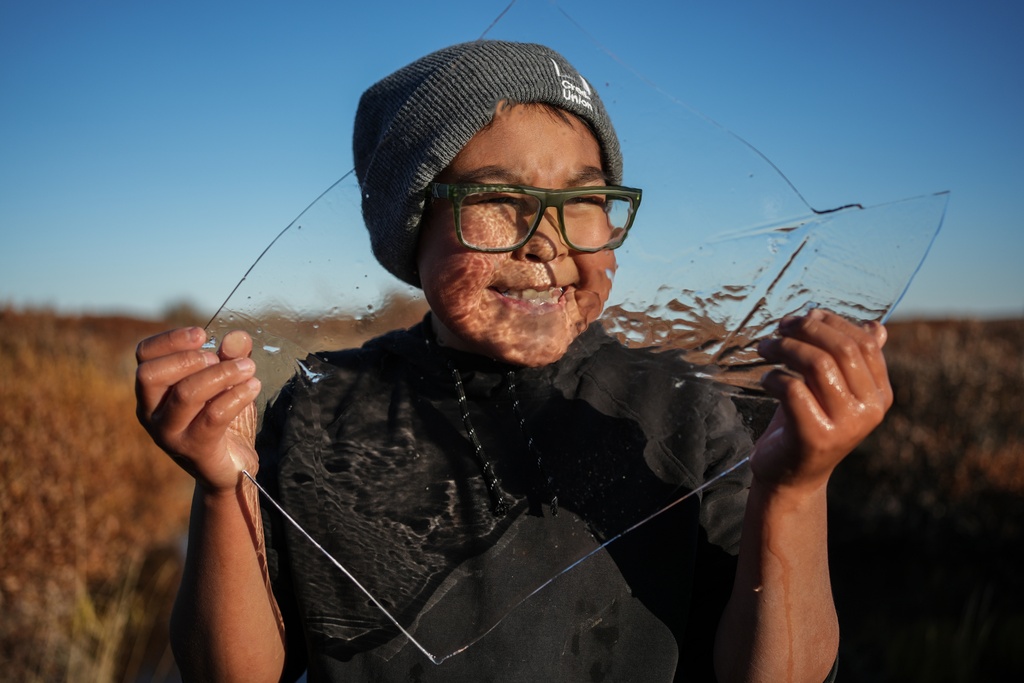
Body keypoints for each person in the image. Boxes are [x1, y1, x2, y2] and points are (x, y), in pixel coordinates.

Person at [135, 41, 892, 682]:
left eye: (584, 199)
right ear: (412, 229)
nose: (546, 239)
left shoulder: (680, 407)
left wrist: (796, 488)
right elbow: (232, 669)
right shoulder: (324, 407)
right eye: (498, 198)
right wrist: (220, 486)